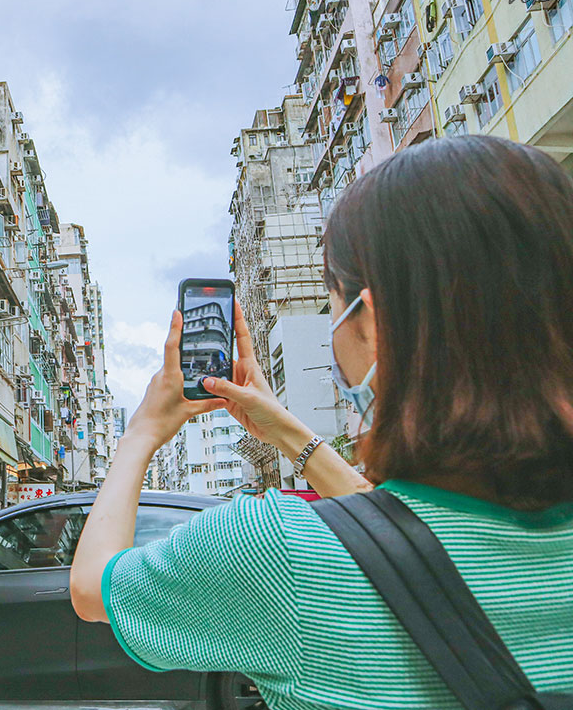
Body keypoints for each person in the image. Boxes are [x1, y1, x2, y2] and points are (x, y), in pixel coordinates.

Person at [70, 136, 573, 708]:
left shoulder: (279, 552)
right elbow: (396, 533)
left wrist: (141, 434)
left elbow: (92, 587)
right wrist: (284, 430)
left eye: (332, 304)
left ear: (373, 323)